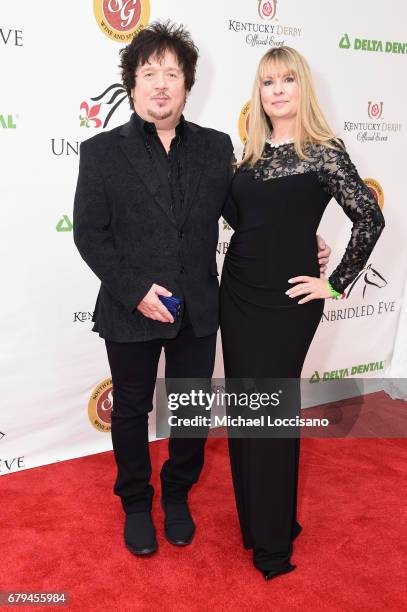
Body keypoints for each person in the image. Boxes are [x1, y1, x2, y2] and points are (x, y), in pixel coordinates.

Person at [73, 22, 331, 558]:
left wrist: (301, 239)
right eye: (149, 73)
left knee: (190, 410)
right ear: (132, 83)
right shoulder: (100, 152)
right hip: (129, 307)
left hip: (197, 307)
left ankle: (178, 493)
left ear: (188, 84)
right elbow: (89, 233)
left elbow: (246, 214)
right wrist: (134, 290)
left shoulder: (216, 148)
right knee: (131, 408)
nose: (161, 84)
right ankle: (138, 502)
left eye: (172, 73)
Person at [220, 46, 385, 581]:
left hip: (289, 302)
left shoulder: (323, 151)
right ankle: (263, 524)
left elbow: (369, 220)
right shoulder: (245, 157)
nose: (278, 90)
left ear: (301, 88)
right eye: (268, 82)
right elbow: (247, 220)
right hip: (238, 294)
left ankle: (271, 549)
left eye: (288, 79)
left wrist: (333, 283)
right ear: (259, 93)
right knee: (246, 410)